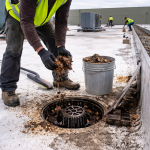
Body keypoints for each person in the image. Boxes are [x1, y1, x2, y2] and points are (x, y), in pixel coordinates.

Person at [0, 0, 80, 107]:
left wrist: (61, 46)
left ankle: (60, 79)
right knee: (14, 49)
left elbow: (61, 21)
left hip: (40, 19)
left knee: (55, 43)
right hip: (17, 15)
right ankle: (8, 89)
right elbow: (26, 21)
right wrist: (41, 51)